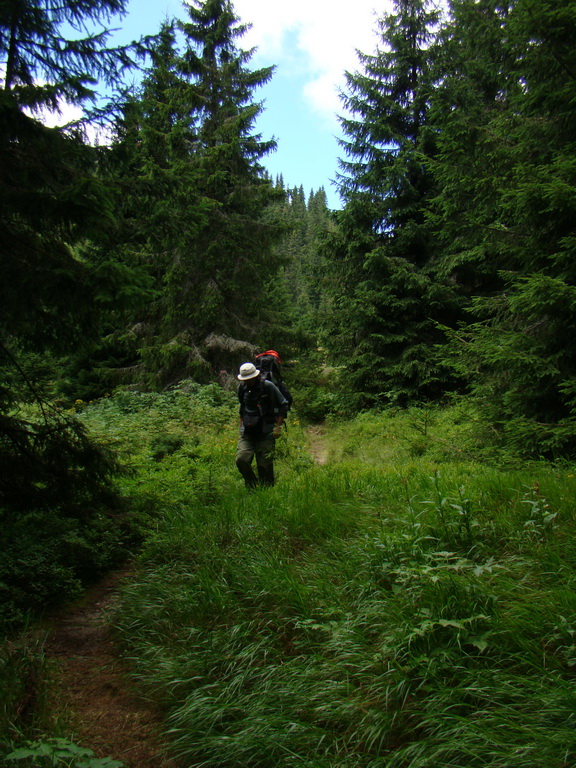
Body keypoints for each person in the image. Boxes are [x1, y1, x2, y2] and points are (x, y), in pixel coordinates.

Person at [235, 361, 289, 489]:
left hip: (266, 431)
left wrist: (278, 427)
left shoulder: (268, 386)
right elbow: (242, 408)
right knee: (241, 460)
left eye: (249, 379)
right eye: (245, 379)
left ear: (255, 376)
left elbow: (283, 404)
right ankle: (252, 485)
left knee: (264, 465)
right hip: (248, 432)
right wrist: (241, 426)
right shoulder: (242, 388)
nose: (247, 381)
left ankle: (267, 492)